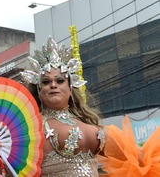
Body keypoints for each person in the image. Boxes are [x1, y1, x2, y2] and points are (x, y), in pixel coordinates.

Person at [20, 36, 105, 177]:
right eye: (46, 82)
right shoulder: (31, 127)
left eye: (60, 81)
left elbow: (122, 155)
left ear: (71, 87)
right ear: (39, 89)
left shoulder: (87, 119)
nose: (53, 85)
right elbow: (13, 171)